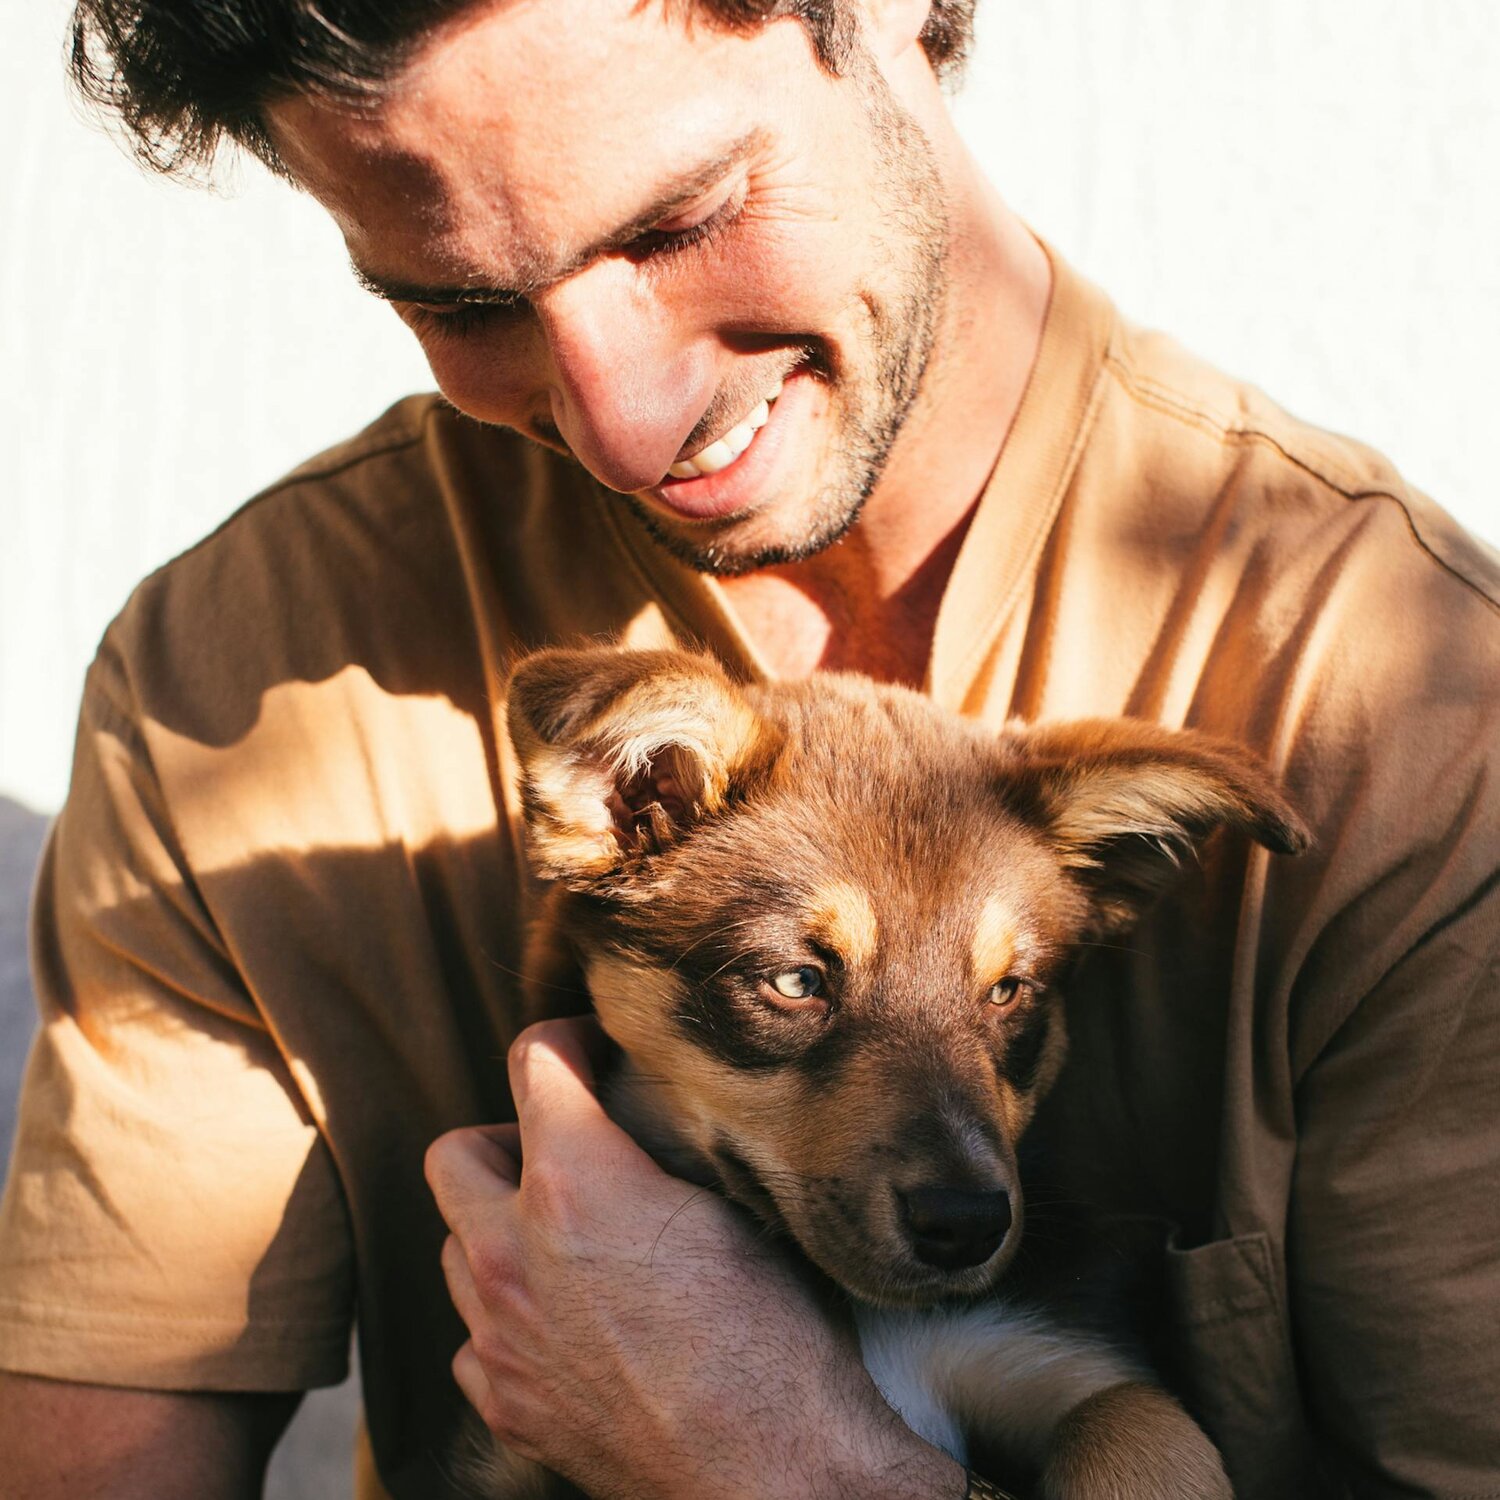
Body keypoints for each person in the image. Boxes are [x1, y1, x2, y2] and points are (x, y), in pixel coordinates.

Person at [0, 0, 1496, 1496]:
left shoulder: (1416, 716)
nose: (621, 415)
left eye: (678, 221)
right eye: (462, 303)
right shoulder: (229, 681)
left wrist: (776, 1456)